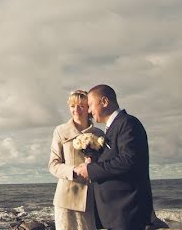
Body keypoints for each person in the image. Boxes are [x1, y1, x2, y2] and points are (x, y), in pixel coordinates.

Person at [74, 84, 155, 230]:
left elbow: (128, 161)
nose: (90, 111)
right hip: (115, 214)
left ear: (105, 102)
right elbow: (113, 159)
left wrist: (91, 170)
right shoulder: (112, 128)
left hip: (127, 212)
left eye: (91, 105)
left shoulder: (128, 124)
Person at [48, 89, 106, 230]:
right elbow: (53, 165)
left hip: (90, 199)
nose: (76, 110)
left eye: (81, 106)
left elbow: (105, 165)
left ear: (89, 108)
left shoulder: (98, 134)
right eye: (72, 106)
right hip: (66, 199)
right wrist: (74, 170)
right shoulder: (60, 131)